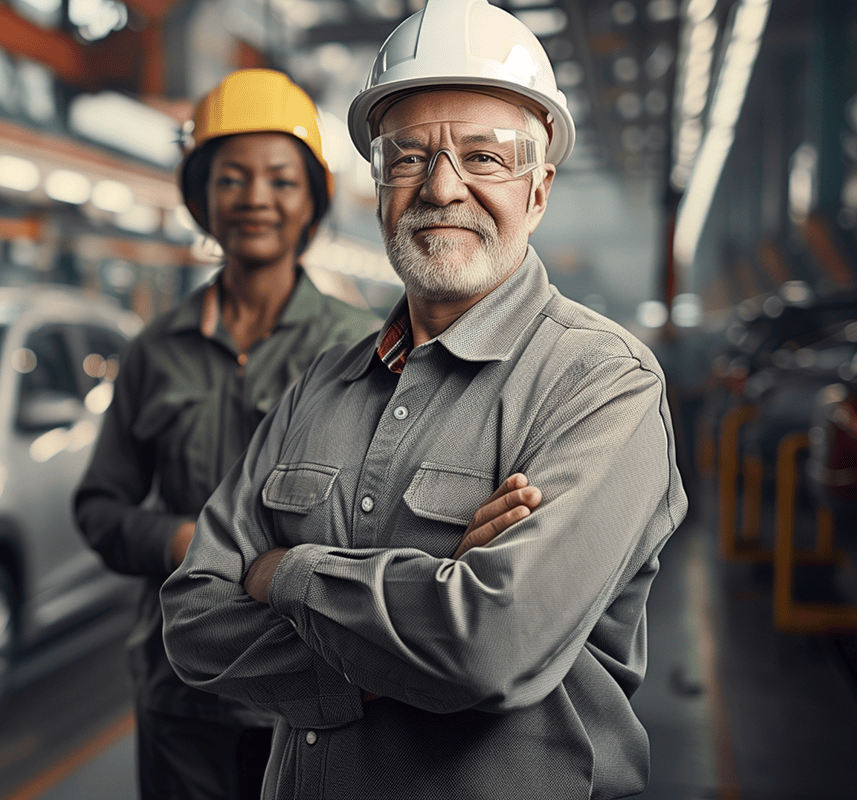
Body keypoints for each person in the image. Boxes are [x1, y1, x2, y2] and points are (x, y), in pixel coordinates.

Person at [158, 1, 689, 798]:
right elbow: (194, 619)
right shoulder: (322, 384)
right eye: (409, 157)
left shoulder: (604, 384)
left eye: (485, 157)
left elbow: (487, 645)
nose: (443, 187)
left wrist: (286, 572)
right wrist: (420, 610)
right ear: (378, 187)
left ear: (538, 191)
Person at [72, 69, 382, 800]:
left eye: (280, 180)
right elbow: (99, 506)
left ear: (311, 199)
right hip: (183, 694)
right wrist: (180, 543)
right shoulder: (155, 351)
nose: (256, 200)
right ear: (201, 198)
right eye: (232, 179)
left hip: (315, 692)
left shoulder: (359, 349)